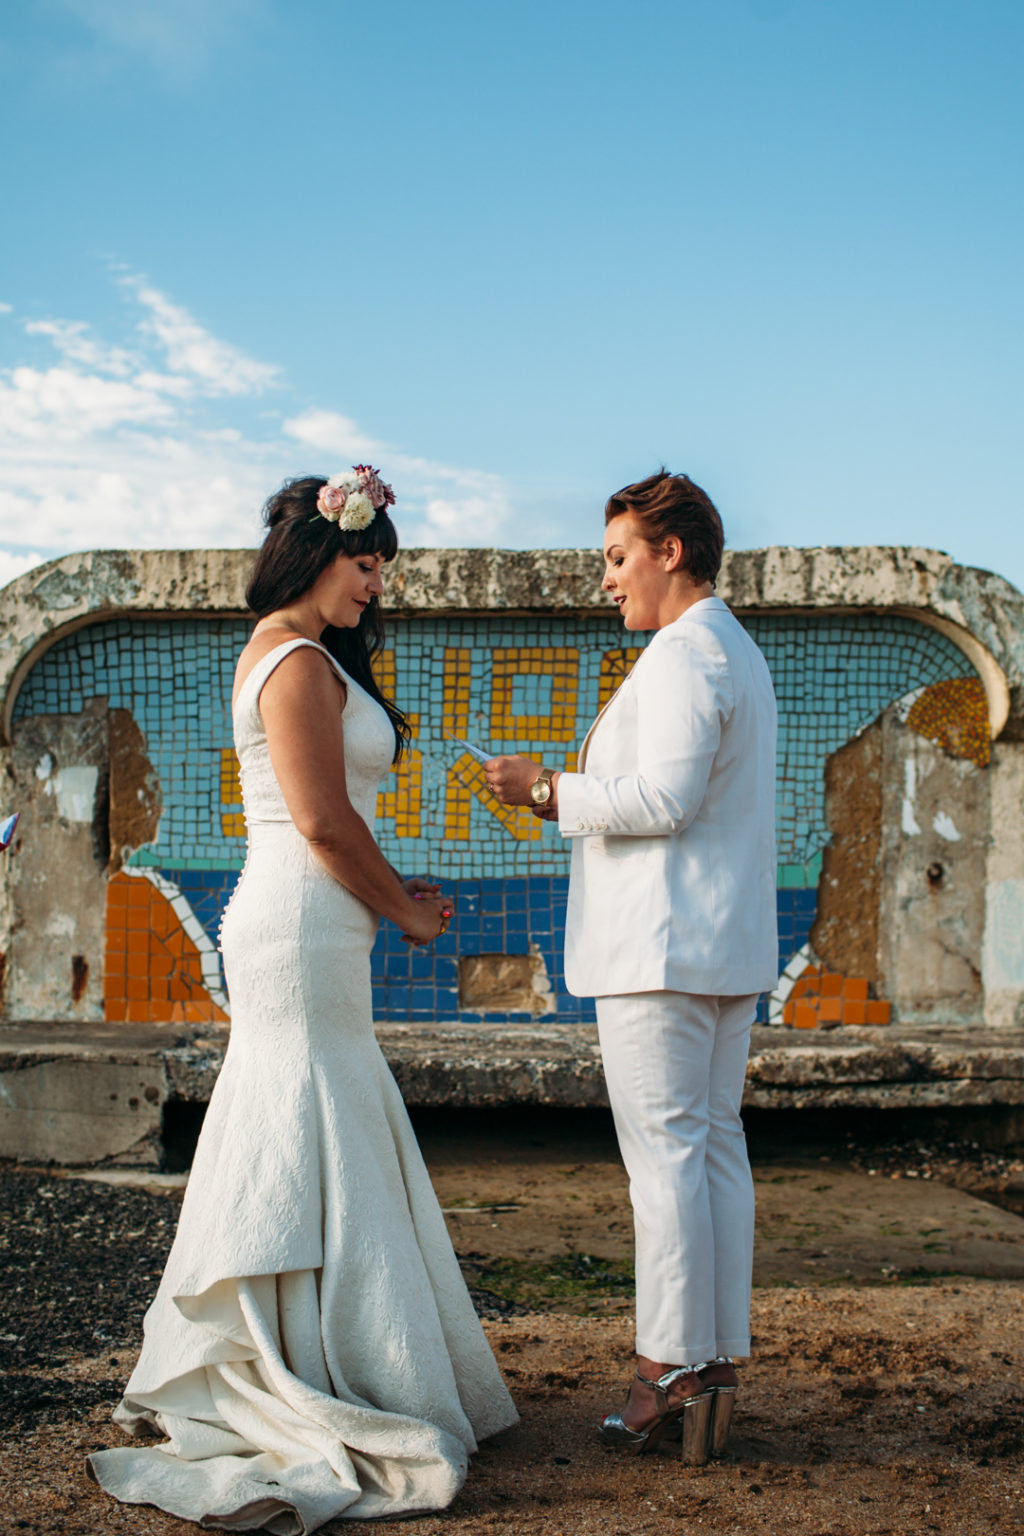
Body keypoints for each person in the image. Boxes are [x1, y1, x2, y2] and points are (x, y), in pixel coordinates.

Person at [89, 469, 517, 1529]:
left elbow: (330, 822)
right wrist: (407, 917)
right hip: (293, 919)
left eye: (381, 568)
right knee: (304, 1112)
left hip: (315, 918)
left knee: (314, 1113)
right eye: (367, 563)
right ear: (318, 553)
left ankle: (319, 1340)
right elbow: (320, 826)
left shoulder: (309, 655)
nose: (377, 583)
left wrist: (385, 895)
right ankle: (301, 1358)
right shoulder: (290, 659)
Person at [486, 469, 776, 1462]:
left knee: (665, 1165)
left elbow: (662, 800)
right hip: (719, 946)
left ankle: (667, 1370)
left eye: (617, 558)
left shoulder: (684, 656)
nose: (606, 579)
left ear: (671, 552)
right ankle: (714, 1361)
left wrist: (544, 792)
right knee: (711, 1153)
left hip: (660, 952)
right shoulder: (733, 649)